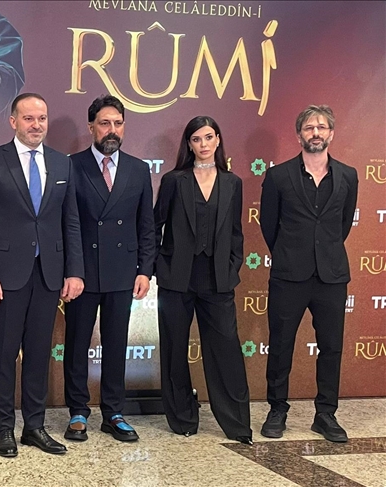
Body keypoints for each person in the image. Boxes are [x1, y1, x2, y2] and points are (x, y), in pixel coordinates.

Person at [0, 93, 84, 458]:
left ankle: (34, 427)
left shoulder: (62, 163)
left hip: (48, 274)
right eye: (29, 118)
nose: (37, 125)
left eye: (42, 118)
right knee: (5, 355)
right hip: (6, 276)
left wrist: (74, 271)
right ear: (13, 121)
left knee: (38, 354)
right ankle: (4, 428)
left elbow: (71, 222)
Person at [259, 105, 358, 443]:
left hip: (331, 275)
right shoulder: (278, 176)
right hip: (289, 274)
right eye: (309, 128)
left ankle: (326, 414)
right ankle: (277, 409)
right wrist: (291, 253)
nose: (316, 133)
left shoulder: (348, 176)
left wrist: (323, 252)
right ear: (298, 134)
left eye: (322, 127)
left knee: (331, 347)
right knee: (281, 344)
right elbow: (269, 226)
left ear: (331, 133)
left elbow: (342, 225)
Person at [153, 116, 252, 445]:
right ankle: (182, 418)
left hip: (218, 280)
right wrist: (158, 265)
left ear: (218, 139)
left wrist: (233, 267)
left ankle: (237, 424)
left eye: (209, 137)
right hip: (176, 279)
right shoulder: (173, 180)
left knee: (226, 350)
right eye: (196, 139)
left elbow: (236, 233)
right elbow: (155, 224)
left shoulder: (232, 182)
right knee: (174, 350)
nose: (203, 144)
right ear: (189, 144)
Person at [63, 95, 155, 443]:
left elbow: (146, 225)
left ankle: (114, 412)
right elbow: (67, 224)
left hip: (123, 271)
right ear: (91, 127)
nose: (111, 129)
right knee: (77, 343)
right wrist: (71, 270)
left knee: (116, 343)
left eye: (117, 123)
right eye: (104, 123)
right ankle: (77, 411)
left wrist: (145, 270)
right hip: (82, 272)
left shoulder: (138, 169)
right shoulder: (71, 166)